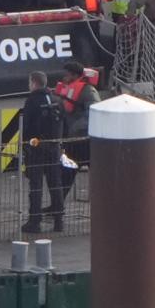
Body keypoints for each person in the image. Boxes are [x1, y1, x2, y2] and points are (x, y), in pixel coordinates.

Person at [20, 71, 65, 233]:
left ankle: (34, 221)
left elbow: (27, 127)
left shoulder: (32, 101)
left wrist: (26, 147)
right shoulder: (57, 100)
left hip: (36, 148)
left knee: (36, 186)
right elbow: (63, 124)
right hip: (54, 147)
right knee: (55, 184)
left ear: (33, 82)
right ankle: (59, 220)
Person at [53, 62, 100, 205]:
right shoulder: (68, 90)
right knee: (66, 173)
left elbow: (94, 112)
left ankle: (103, 204)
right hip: (73, 140)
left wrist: (76, 128)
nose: (64, 77)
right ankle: (57, 206)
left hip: (86, 140)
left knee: (97, 174)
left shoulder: (88, 91)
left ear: (74, 75)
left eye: (67, 74)